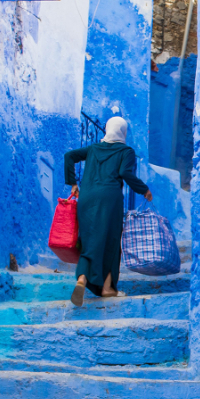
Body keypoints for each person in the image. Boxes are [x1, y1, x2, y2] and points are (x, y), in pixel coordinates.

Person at [63, 116, 152, 306]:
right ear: (123, 132)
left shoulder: (93, 149)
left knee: (88, 241)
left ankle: (82, 278)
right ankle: (107, 287)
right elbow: (125, 173)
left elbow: (69, 156)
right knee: (111, 242)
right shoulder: (126, 151)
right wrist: (143, 189)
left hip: (87, 198)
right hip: (109, 200)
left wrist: (73, 183)